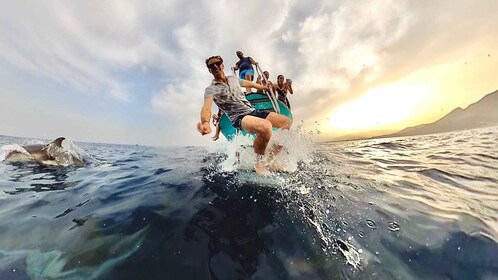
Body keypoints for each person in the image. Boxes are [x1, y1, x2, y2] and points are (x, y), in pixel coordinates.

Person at [197, 55, 291, 174]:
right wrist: (205, 122)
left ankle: (271, 160)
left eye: (218, 63)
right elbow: (206, 107)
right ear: (209, 70)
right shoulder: (210, 89)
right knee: (265, 127)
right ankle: (259, 163)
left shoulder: (233, 79)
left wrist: (264, 87)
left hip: (252, 111)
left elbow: (250, 84)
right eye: (211, 66)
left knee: (286, 122)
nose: (215, 66)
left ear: (222, 64)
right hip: (238, 117)